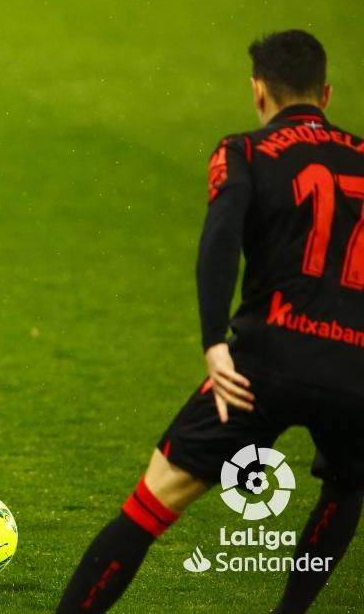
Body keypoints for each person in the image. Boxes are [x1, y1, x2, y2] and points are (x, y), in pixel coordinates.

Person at [56, 30, 364, 613]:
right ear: (326, 93)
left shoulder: (244, 151)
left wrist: (213, 342)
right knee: (347, 484)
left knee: (153, 502)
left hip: (264, 362)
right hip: (356, 367)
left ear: (258, 92)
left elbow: (220, 241)